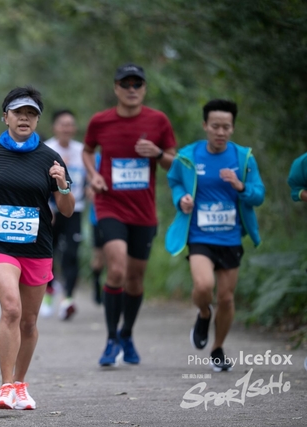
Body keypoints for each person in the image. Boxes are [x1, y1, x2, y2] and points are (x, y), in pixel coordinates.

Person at [0, 86, 75, 410]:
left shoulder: (50, 158)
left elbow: (66, 209)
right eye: (19, 112)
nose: (25, 118)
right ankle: (5, 386)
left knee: (29, 321)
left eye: (31, 114)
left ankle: (20, 385)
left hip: (36, 247)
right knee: (11, 308)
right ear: (5, 117)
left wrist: (62, 184)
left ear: (37, 120)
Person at [82, 63, 177, 366]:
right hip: (109, 205)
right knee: (117, 270)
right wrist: (94, 175)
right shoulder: (100, 121)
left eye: (138, 84)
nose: (132, 89)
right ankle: (111, 340)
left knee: (135, 279)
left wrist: (158, 154)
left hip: (143, 211)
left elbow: (174, 163)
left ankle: (127, 333)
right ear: (116, 88)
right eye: (126, 84)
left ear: (145, 89)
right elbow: (87, 150)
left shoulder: (158, 121)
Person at [165, 99, 265, 371]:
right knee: (203, 286)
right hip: (200, 236)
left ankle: (218, 348)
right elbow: (174, 182)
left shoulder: (244, 158)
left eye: (226, 127)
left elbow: (258, 195)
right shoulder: (188, 156)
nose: (221, 132)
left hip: (230, 238)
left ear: (233, 128)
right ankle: (203, 312)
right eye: (215, 126)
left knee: (226, 298)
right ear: (205, 126)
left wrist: (241, 186)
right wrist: (181, 199)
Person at [41, 110, 88, 320]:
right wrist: (46, 205)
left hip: (75, 209)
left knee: (71, 254)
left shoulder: (82, 151)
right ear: (54, 127)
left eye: (70, 124)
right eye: (62, 124)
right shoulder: (46, 149)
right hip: (51, 210)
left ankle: (68, 299)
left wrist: (90, 188)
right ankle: (49, 291)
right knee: (48, 253)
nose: (66, 128)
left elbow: (90, 177)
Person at [88, 152, 105, 305]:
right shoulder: (95, 159)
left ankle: (113, 290)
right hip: (98, 217)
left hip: (121, 217)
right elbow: (90, 192)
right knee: (99, 257)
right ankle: (97, 288)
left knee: (116, 256)